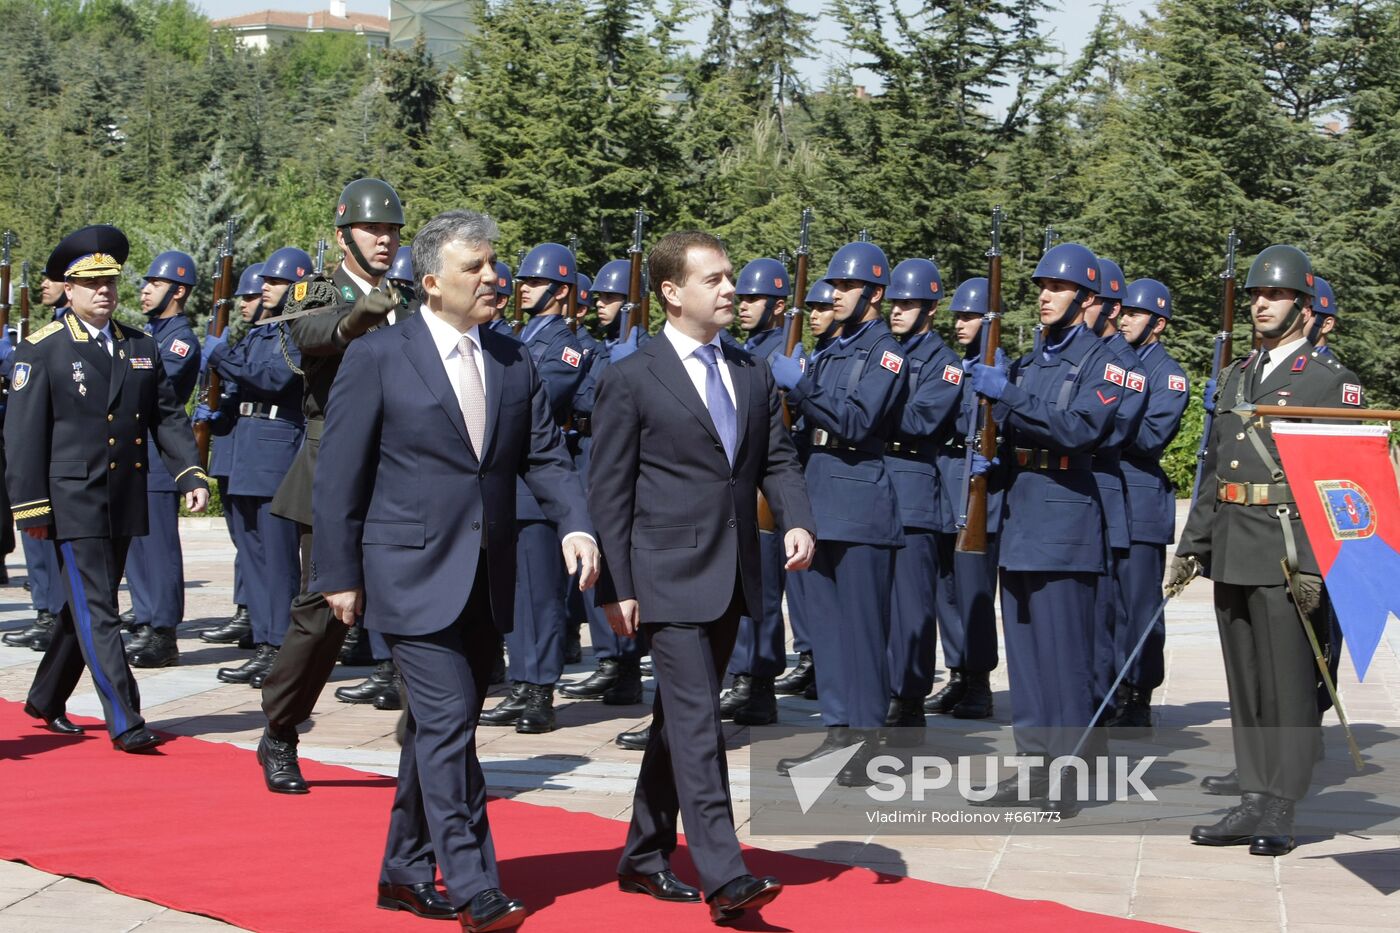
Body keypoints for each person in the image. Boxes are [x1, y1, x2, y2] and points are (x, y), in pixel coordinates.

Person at [313, 208, 599, 931]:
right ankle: (475, 883)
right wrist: (337, 572)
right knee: (446, 725)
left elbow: (543, 456)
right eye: (476, 267)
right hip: (408, 573)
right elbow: (338, 476)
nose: (494, 278)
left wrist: (575, 522)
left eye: (494, 264)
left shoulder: (512, 358)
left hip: (485, 575)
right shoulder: (379, 356)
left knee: (441, 729)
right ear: (432, 280)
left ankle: (404, 870)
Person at [590, 230, 814, 923]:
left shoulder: (748, 370)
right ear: (670, 292)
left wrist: (798, 517)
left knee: (677, 719)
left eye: (731, 279)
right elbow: (609, 490)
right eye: (714, 279)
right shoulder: (632, 375)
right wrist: (615, 585)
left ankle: (645, 852)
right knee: (698, 723)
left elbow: (774, 457)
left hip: (732, 571)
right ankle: (725, 873)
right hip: (664, 574)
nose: (730, 290)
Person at [1179, 244, 1361, 857]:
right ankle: (1253, 796)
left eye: (1276, 295)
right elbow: (1214, 468)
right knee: (1247, 682)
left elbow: (1341, 489)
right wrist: (1193, 542)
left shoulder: (1330, 382)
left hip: (1287, 553)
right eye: (1258, 295)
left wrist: (1314, 564)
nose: (1262, 303)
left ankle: (1280, 804)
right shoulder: (1237, 374)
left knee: (1287, 684)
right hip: (1233, 543)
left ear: (1305, 308)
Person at [5, 224, 210, 751]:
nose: (104, 292)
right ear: (67, 290)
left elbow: (166, 415)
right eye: (91, 284)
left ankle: (47, 697)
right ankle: (126, 718)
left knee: (85, 607)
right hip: (71, 499)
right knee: (101, 608)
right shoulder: (42, 350)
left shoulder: (138, 345)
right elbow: (24, 438)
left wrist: (190, 471)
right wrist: (29, 509)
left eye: (111, 283)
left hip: (124, 496)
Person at [257, 178, 410, 794]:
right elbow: (310, 337)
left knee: (414, 610)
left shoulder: (407, 295)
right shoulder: (317, 288)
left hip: (398, 474)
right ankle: (280, 730)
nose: (385, 240)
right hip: (332, 474)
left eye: (393, 231)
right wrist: (354, 319)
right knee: (323, 617)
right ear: (345, 233)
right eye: (374, 230)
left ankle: (426, 740)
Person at [967, 241, 1124, 810]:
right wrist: (998, 464)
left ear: (1085, 298)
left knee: (1065, 658)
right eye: (1040, 287)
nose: (1044, 296)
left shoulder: (1105, 363)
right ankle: (1034, 766)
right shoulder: (1031, 362)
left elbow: (1081, 429)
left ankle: (1070, 772)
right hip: (1024, 515)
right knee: (1028, 658)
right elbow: (1020, 434)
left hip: (1066, 519)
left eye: (1056, 288)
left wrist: (1007, 396)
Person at [767, 241, 907, 786]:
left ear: (873, 294)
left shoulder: (885, 353)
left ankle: (869, 743)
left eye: (846, 287)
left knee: (862, 629)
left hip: (861, 499)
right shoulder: (828, 350)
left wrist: (799, 386)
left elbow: (857, 421)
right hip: (818, 494)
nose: (834, 294)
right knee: (824, 629)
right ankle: (838, 732)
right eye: (834, 286)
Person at [479, 242, 588, 734]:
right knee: (516, 591)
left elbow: (537, 397)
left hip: (539, 484)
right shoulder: (521, 341)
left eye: (534, 282)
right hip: (511, 484)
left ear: (561, 292)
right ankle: (522, 681)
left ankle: (542, 688)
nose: (522, 288)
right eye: (521, 281)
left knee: (542, 595)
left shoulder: (566, 345)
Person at [199, 251, 308, 689]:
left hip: (275, 448)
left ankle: (280, 648)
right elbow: (241, 376)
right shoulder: (263, 331)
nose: (264, 288)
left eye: (274, 283)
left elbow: (275, 379)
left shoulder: (297, 330)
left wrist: (221, 357)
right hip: (246, 448)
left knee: (277, 560)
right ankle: (265, 643)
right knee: (254, 555)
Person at [561, 258, 648, 708]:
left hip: (627, 460)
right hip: (593, 454)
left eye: (611, 297)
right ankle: (610, 661)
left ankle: (627, 663)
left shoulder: (645, 348)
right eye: (597, 296)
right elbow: (579, 397)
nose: (600, 303)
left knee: (620, 560)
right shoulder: (599, 349)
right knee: (595, 558)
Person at [881, 257, 962, 736]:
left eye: (908, 304)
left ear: (929, 309)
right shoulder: (886, 353)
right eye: (894, 303)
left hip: (913, 490)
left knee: (912, 606)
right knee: (879, 604)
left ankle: (908, 698)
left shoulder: (945, 366)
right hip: (878, 486)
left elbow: (921, 423)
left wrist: (870, 408)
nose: (897, 312)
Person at [1109, 279, 1188, 730]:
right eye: (1123, 312)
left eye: (1135, 315)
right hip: (1106, 498)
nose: (1124, 320)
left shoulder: (1168, 374)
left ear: (1157, 324)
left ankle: (1138, 694)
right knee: (1106, 608)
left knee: (1138, 607)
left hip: (1139, 503)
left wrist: (1097, 424)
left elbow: (1151, 436)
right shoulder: (1113, 361)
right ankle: (1109, 688)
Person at [719, 256, 793, 727]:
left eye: (754, 298)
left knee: (763, 587)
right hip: (744, 482)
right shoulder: (749, 349)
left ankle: (758, 682)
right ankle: (746, 676)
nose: (743, 305)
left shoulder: (788, 350)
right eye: (741, 297)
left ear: (779, 305)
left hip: (771, 481)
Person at [124, 250, 203, 669]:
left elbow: (154, 388)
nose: (144, 290)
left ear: (178, 291)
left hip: (158, 454)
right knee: (135, 543)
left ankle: (164, 630)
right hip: (134, 451)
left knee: (158, 545)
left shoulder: (179, 340)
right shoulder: (147, 336)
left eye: (154, 284)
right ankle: (144, 617)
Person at [927, 277, 1000, 718]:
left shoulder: (1000, 369)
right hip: (947, 481)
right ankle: (957, 674)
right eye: (957, 316)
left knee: (974, 594)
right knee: (946, 592)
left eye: (970, 316)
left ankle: (979, 683)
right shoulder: (955, 366)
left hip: (978, 492)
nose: (960, 324)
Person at [1083, 259, 1148, 726]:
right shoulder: (1076, 355)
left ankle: (1102, 705)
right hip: (1065, 496)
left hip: (1101, 493)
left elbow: (1110, 435)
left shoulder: (1124, 366)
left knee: (1105, 615)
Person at [772, 280, 837, 700]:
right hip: (806, 472)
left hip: (839, 479)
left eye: (821, 307)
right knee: (801, 581)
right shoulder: (815, 358)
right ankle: (810, 657)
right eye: (809, 307)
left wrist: (799, 386)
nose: (813, 315)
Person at [6, 272, 73, 652]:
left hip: (58, 455)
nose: (44, 286)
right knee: (35, 538)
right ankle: (47, 613)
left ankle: (55, 615)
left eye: (52, 279)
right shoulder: (48, 334)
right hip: (36, 454)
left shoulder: (60, 338)